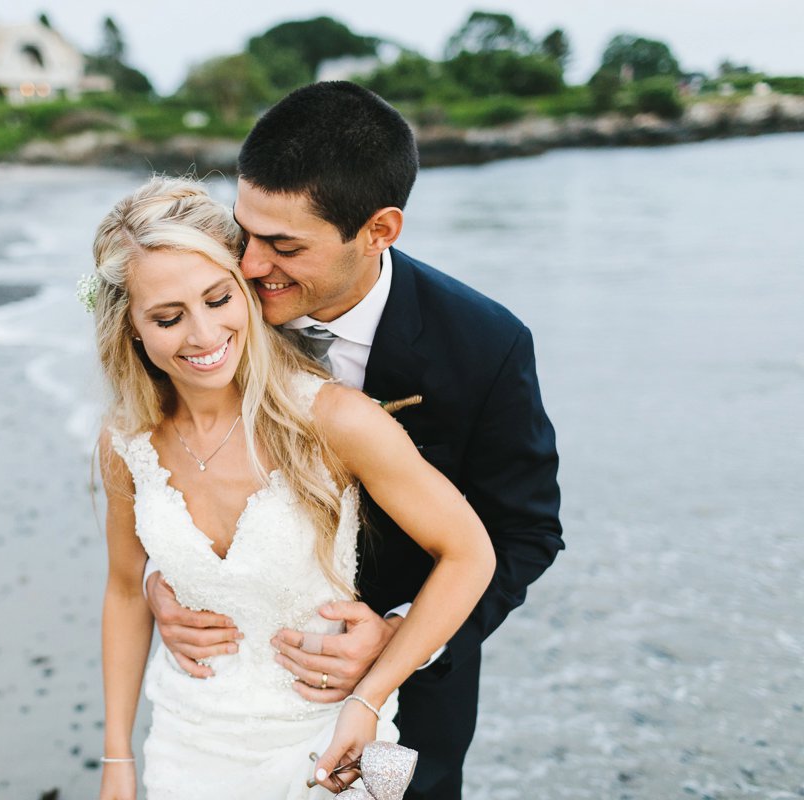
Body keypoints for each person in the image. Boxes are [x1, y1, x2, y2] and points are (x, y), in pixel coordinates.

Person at [145, 81, 564, 799]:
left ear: (379, 231)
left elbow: (525, 533)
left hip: (412, 695)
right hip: (231, 695)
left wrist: (401, 637)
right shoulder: (210, 307)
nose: (248, 266)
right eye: (246, 231)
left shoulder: (484, 345)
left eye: (284, 246)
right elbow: (165, 461)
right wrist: (167, 584)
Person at [92, 176, 496, 800]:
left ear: (248, 290)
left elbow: (471, 553)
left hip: (324, 743)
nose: (202, 335)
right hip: (187, 743)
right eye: (168, 318)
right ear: (132, 330)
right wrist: (116, 757)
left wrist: (370, 694)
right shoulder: (126, 442)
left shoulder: (333, 419)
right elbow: (124, 589)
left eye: (218, 299)